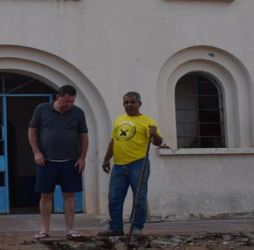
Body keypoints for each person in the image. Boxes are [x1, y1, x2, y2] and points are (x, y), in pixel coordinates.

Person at [28, 85, 89, 239]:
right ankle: (45, 230)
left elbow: (84, 136)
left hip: (71, 161)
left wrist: (82, 158)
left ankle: (70, 230)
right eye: (67, 101)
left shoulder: (78, 113)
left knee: (69, 195)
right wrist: (36, 152)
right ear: (58, 97)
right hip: (46, 161)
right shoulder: (41, 109)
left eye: (72, 102)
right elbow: (32, 130)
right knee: (45, 195)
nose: (69, 105)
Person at [99, 92, 163, 237]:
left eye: (132, 102)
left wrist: (155, 134)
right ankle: (115, 227)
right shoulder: (119, 119)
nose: (129, 105)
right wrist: (106, 158)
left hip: (138, 164)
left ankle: (136, 228)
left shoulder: (148, 121)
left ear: (139, 104)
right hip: (119, 165)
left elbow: (158, 142)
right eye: (126, 103)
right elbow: (113, 141)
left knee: (139, 197)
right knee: (114, 198)